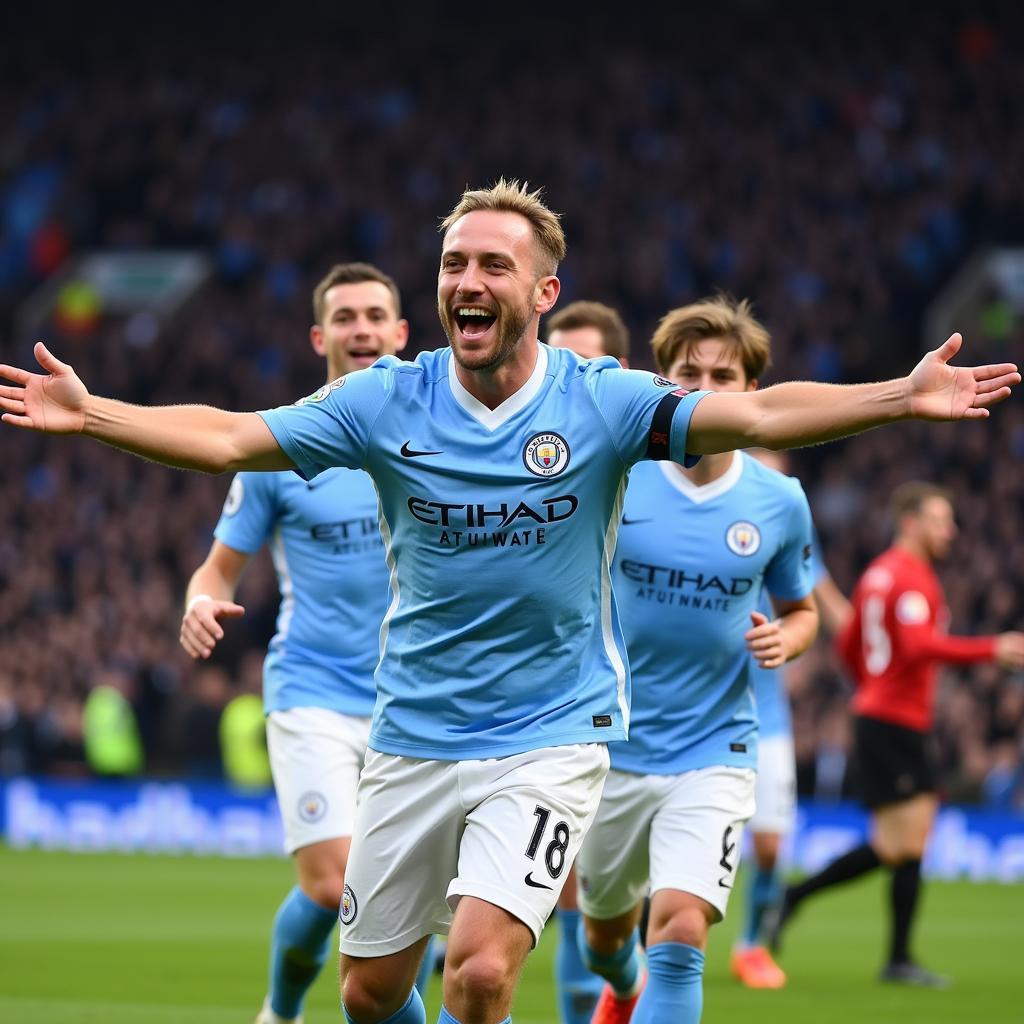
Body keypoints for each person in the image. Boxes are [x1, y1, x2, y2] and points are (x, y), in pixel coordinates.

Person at [1, 179, 1019, 1024]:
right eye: (453, 264)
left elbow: (756, 410)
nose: (469, 280)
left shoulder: (602, 400)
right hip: (411, 731)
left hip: (550, 734)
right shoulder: (385, 398)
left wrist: (896, 393)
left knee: (481, 973)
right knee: (368, 992)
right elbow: (228, 436)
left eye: (493, 265)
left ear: (543, 289)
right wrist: (94, 415)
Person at [178, 262, 417, 1023]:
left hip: (414, 701)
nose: (362, 329)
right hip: (311, 689)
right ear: (321, 336)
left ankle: (281, 1008)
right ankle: (281, 1013)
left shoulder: (440, 440)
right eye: (345, 317)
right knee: (334, 884)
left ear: (401, 333)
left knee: (378, 906)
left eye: (376, 315)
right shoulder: (282, 447)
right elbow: (216, 571)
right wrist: (201, 603)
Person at [573, 297, 818, 1024]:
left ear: (751, 392)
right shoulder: (618, 474)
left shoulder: (779, 501)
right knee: (605, 937)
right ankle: (622, 989)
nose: (707, 389)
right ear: (664, 383)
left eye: (725, 375)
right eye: (690, 373)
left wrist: (789, 638)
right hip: (610, 748)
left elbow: (800, 609)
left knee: (680, 929)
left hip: (717, 747)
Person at [768, 481, 1024, 987]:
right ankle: (881, 948)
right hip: (895, 721)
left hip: (884, 715)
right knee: (901, 842)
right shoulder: (908, 577)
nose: (949, 530)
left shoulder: (878, 575)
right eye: (940, 519)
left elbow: (849, 644)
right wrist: (988, 649)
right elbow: (914, 646)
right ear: (910, 522)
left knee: (904, 841)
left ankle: (825, 916)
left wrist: (867, 686)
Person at [729, 448, 852, 990]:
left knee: (773, 843)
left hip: (766, 712)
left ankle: (752, 943)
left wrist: (856, 636)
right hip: (689, 706)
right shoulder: (709, 522)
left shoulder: (786, 524)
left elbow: (818, 598)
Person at [545, 299, 629, 1024]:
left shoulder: (648, 468)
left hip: (662, 725)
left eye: (584, 362)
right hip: (561, 713)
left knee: (640, 924)